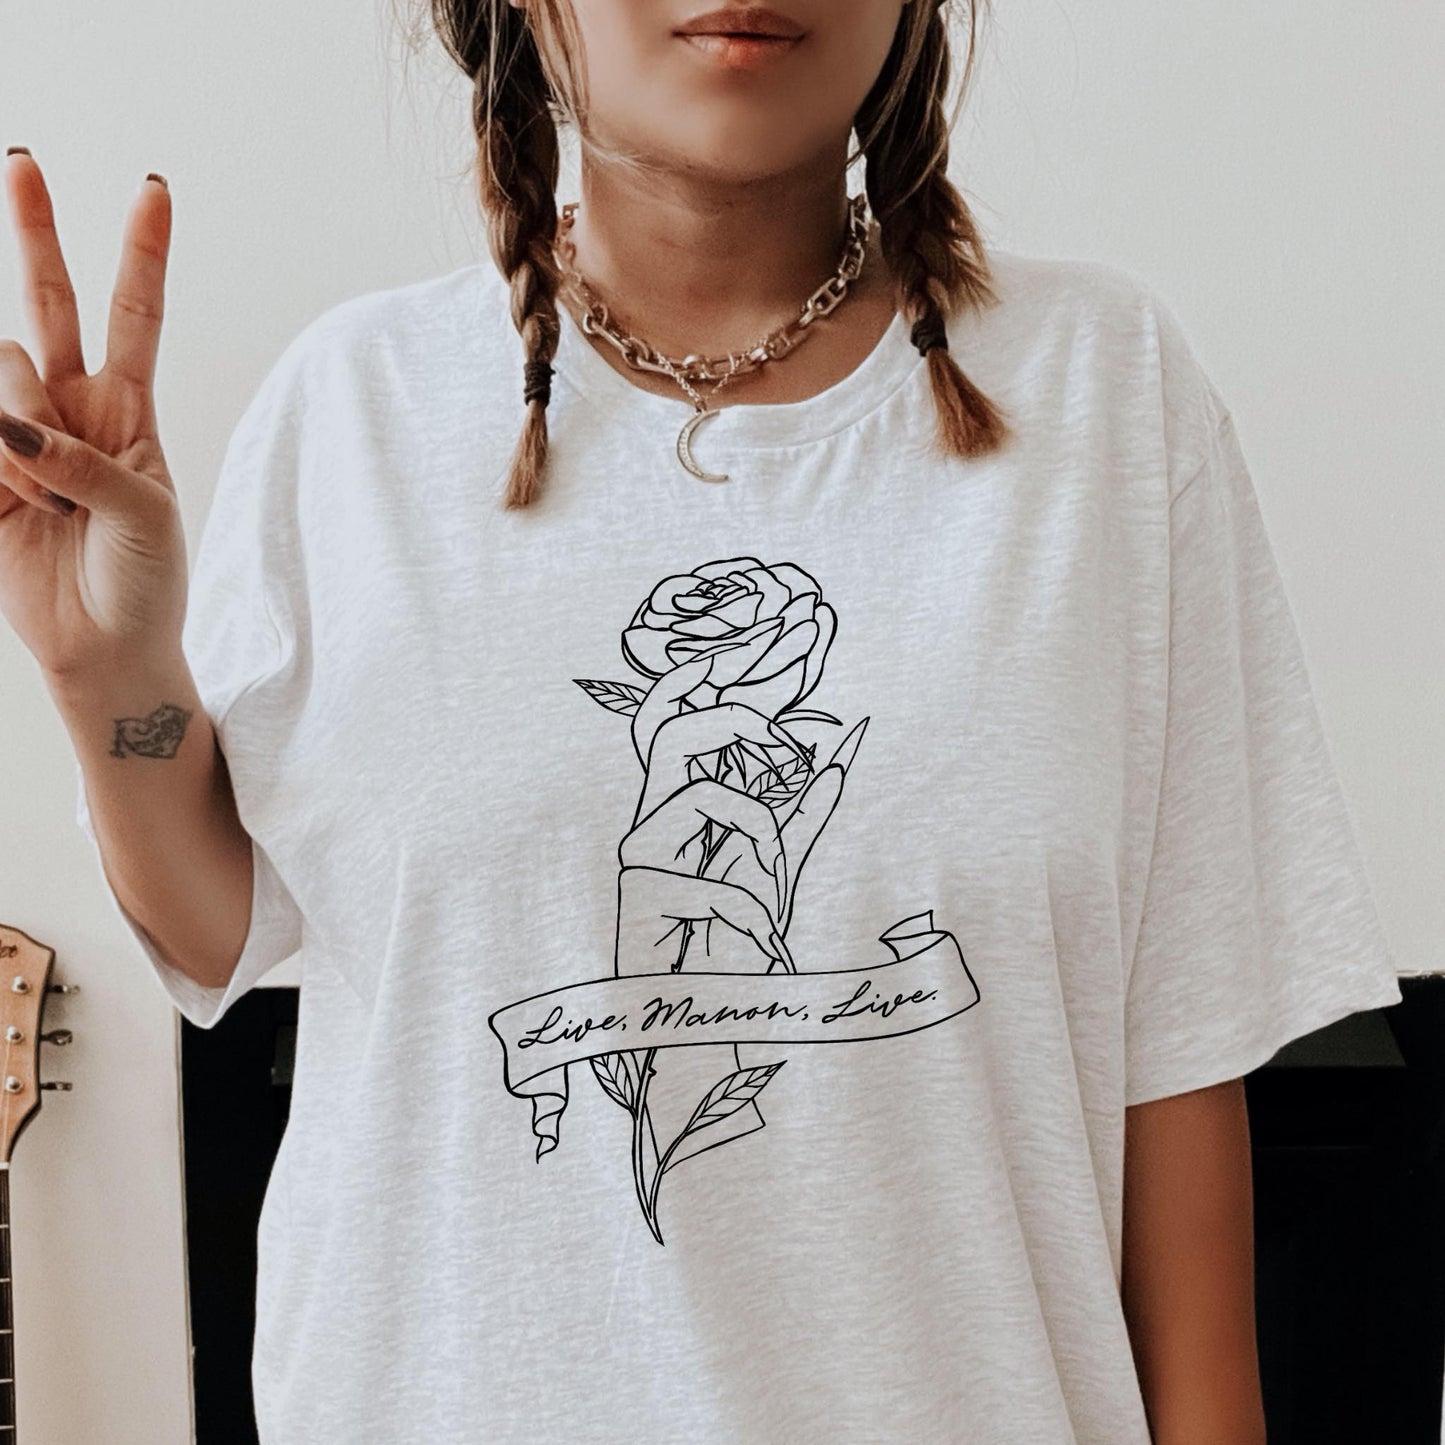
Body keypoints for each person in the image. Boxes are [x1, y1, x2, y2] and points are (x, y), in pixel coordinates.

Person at [0, 0, 1403, 1439]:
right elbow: (217, 935)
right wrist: (105, 676)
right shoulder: (356, 408)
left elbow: (1181, 1066)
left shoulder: (1106, 391)